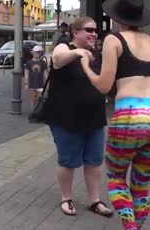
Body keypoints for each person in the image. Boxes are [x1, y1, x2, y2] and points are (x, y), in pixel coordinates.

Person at [79, 0, 150, 230]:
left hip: (132, 117)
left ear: (115, 18)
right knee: (140, 186)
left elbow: (103, 85)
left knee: (117, 179)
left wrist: (85, 66)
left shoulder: (114, 39)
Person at [44, 16, 113, 218]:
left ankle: (94, 200)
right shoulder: (63, 47)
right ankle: (66, 198)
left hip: (94, 117)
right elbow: (57, 59)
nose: (93, 33)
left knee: (94, 161)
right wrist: (78, 52)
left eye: (95, 30)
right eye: (88, 30)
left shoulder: (98, 54)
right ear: (76, 33)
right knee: (68, 161)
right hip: (66, 117)